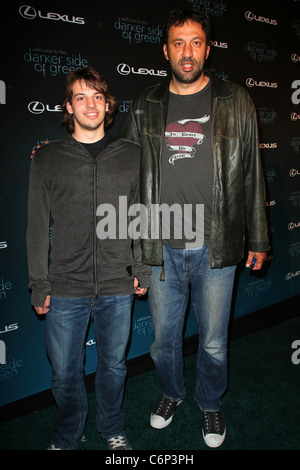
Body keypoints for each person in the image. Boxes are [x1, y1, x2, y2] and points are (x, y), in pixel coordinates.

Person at [120, 8, 269, 448]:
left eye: (196, 42)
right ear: (166, 50)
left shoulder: (236, 100)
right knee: (164, 343)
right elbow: (124, 174)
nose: (188, 52)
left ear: (208, 48)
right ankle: (172, 393)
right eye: (179, 43)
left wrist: (258, 237)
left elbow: (253, 175)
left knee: (215, 343)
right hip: (162, 246)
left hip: (217, 246)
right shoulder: (145, 104)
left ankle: (210, 403)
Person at [26, 66, 150, 450]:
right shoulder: (46, 158)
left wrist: (142, 265)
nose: (90, 104)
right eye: (81, 96)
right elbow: (35, 226)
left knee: (113, 367)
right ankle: (68, 435)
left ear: (108, 104)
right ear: (69, 106)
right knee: (64, 374)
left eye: (97, 96)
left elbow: (142, 216)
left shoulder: (133, 155)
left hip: (117, 282)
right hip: (65, 287)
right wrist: (39, 283)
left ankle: (112, 429)